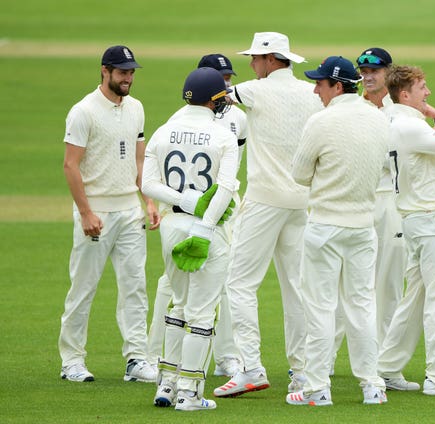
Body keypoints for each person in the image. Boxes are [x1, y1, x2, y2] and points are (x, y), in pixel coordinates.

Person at [213, 32, 323, 398]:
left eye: (256, 59)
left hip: (264, 201)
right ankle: (304, 372)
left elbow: (216, 93)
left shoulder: (255, 91)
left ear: (272, 59)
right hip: (301, 201)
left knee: (239, 283)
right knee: (297, 288)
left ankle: (251, 367)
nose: (250, 65)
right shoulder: (311, 94)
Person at [285, 56, 389, 406]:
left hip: (325, 226)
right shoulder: (378, 118)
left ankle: (317, 388)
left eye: (320, 83)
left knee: (320, 307)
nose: (315, 88)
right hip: (363, 226)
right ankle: (372, 385)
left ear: (338, 85)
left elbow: (299, 175)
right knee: (361, 306)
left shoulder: (320, 121)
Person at [59, 45, 160, 384]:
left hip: (129, 210)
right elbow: (70, 165)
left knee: (135, 287)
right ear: (105, 71)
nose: (128, 78)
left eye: (131, 72)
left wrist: (148, 201)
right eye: (122, 72)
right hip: (97, 214)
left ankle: (136, 359)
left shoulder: (136, 108)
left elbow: (140, 160)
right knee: (84, 287)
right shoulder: (83, 112)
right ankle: (71, 360)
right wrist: (85, 212)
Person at [142, 67, 239, 410]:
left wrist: (183, 202)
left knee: (178, 305)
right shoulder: (222, 136)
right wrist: (206, 224)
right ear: (213, 99)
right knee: (202, 312)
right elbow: (226, 188)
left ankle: (166, 385)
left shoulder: (163, 131)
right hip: (208, 231)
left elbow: (147, 184)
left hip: (171, 226)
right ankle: (190, 393)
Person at [377, 65, 435, 396]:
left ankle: (386, 367)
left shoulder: (393, 122)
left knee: (414, 299)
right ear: (405, 94)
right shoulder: (409, 126)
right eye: (422, 88)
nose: (427, 93)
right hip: (430, 221)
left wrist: (431, 118)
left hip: (414, 220)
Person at [330, 48, 407, 386]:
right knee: (340, 284)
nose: (368, 75)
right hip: (355, 201)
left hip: (391, 201)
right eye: (362, 69)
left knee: (389, 285)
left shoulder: (401, 111)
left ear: (389, 73)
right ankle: (323, 362)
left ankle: (386, 367)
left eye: (375, 70)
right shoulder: (351, 108)